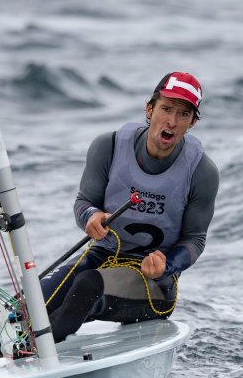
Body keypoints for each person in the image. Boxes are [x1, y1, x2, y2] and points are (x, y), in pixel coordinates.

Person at [40, 71, 219, 342]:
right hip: (102, 256)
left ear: (192, 122)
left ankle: (37, 361)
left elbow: (195, 240)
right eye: (166, 108)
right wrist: (91, 216)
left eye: (183, 114)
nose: (172, 121)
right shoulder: (108, 147)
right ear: (150, 109)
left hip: (154, 283)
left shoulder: (201, 172)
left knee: (87, 286)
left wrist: (166, 265)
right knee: (29, 303)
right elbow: (84, 203)